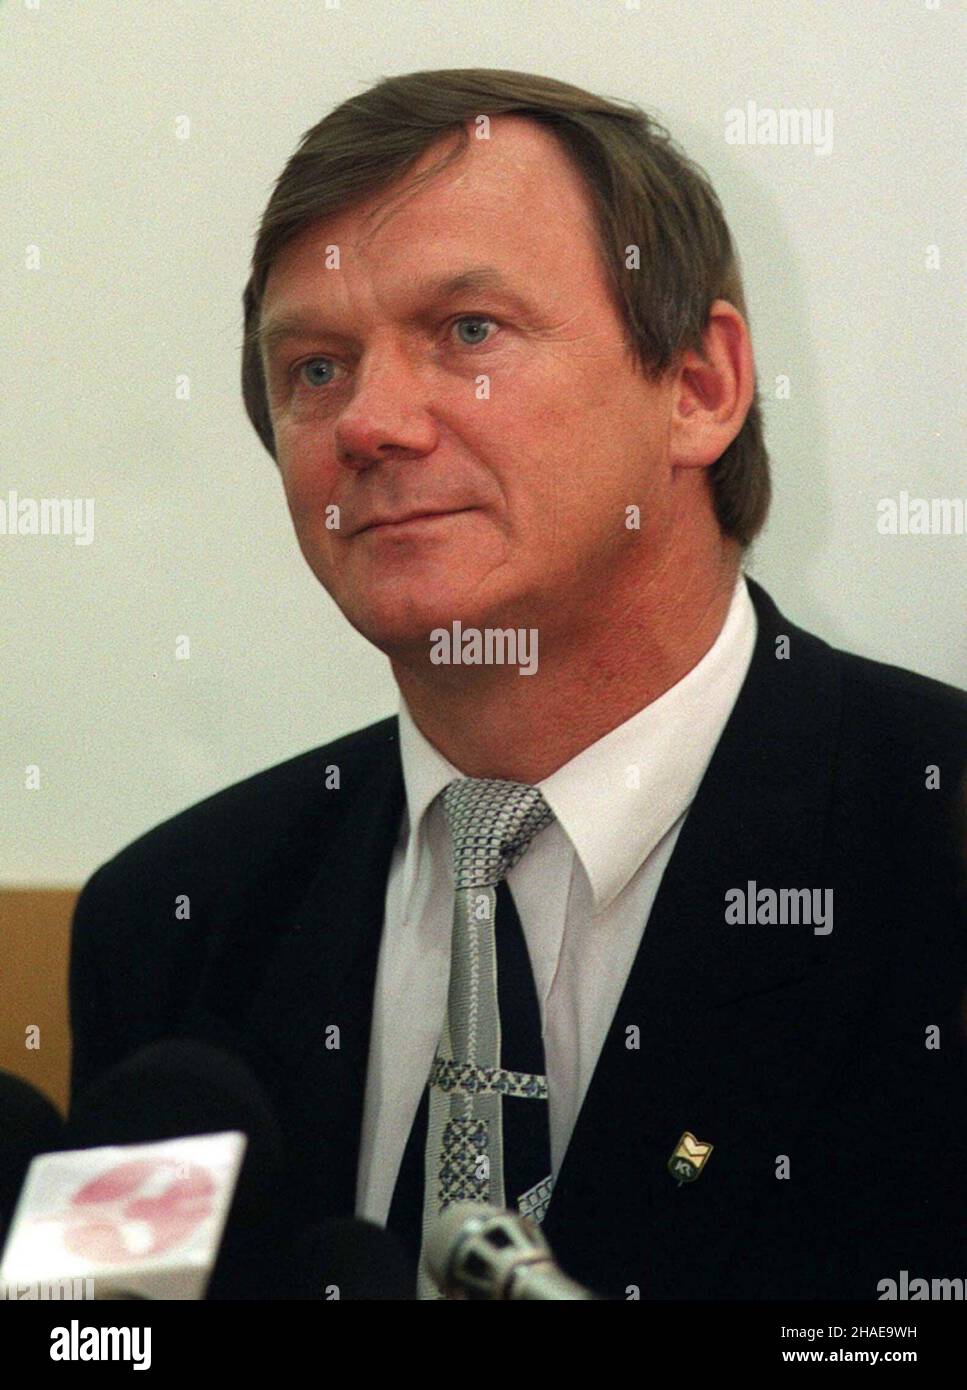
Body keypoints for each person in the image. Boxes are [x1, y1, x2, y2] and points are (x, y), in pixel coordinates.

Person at [69, 69, 966, 1300]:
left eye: (469, 333)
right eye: (317, 369)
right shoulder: (173, 924)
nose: (370, 423)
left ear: (699, 386)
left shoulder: (932, 847)